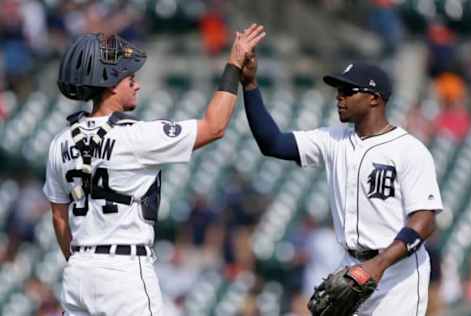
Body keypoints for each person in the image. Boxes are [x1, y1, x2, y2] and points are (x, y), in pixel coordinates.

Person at [43, 24, 265, 316]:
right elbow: (215, 126)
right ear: (111, 84)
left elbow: (60, 219)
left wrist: (82, 261)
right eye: (130, 78)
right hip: (123, 272)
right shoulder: (134, 136)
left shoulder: (60, 142)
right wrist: (234, 64)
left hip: (77, 273)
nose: (137, 85)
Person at [240, 55, 443, 315]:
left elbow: (425, 221)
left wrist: (378, 265)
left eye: (348, 91)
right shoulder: (333, 139)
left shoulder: (410, 150)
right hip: (351, 267)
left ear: (374, 98)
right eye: (338, 91)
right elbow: (272, 143)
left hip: (397, 274)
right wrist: (249, 85)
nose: (339, 97)